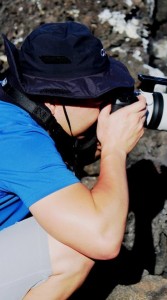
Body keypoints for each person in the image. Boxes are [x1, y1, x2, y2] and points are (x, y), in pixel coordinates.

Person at [0, 21, 147, 299]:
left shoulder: (12, 102)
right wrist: (115, 149)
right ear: (56, 100)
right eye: (97, 94)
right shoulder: (17, 139)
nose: (107, 103)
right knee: (74, 247)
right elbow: (102, 240)